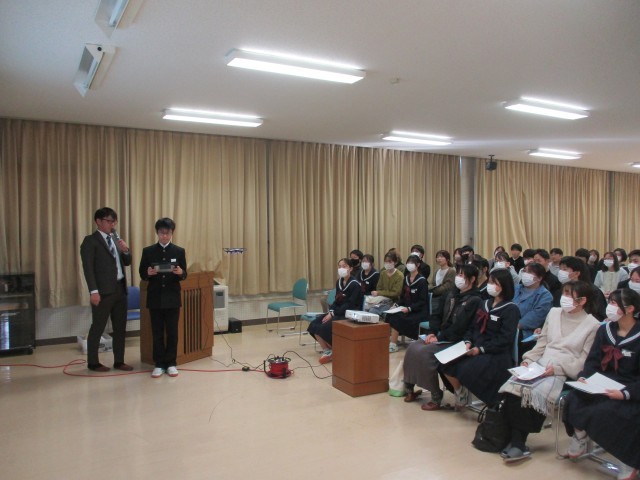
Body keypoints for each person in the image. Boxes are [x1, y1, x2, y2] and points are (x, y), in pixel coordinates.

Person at [498, 281, 600, 462]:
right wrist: (528, 360)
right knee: (514, 387)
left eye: (569, 294)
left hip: (564, 371)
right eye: (564, 293)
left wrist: (557, 369)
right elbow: (542, 342)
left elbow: (583, 361)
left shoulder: (593, 325)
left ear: (582, 300)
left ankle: (518, 443)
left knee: (532, 393)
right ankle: (513, 439)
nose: (564, 298)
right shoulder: (553, 313)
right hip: (541, 364)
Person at [562, 289, 640, 480]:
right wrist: (585, 377)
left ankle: (627, 460)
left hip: (630, 387)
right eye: (610, 302)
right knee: (574, 398)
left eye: (614, 304)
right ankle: (580, 436)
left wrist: (625, 393)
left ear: (630, 309)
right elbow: (593, 361)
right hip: (603, 381)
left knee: (611, 412)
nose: (609, 307)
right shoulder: (605, 330)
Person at [403, 264, 482, 410]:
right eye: (458, 274)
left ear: (472, 279)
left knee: (425, 353)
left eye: (462, 276)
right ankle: (409, 388)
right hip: (442, 336)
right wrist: (432, 332)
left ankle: (436, 395)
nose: (458, 278)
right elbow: (436, 315)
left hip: (458, 340)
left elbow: (461, 326)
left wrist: (439, 338)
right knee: (413, 347)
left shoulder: (475, 300)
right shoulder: (451, 294)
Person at [441, 269, 521, 408]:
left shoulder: (511, 309)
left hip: (495, 353)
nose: (490, 285)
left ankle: (490, 402)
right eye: (490, 282)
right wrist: (468, 342)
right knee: (444, 362)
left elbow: (505, 339)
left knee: (465, 369)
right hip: (475, 347)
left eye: (495, 283)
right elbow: (473, 327)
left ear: (504, 286)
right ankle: (460, 392)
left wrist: (481, 349)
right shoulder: (485, 304)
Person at [80, 207, 133, 372]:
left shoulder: (116, 239)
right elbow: (88, 269)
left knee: (120, 328)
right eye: (109, 221)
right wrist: (93, 291)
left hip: (120, 289)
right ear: (98, 221)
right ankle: (93, 362)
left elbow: (127, 262)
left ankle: (119, 361)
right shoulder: (90, 241)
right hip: (102, 292)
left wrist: (126, 250)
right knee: (98, 327)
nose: (112, 225)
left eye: (114, 221)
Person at [138, 218, 187, 378]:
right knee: (157, 332)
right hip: (155, 298)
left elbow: (184, 273)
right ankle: (159, 363)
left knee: (172, 332)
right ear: (157, 233)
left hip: (172, 298)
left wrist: (181, 273)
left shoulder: (179, 251)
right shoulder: (148, 251)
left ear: (172, 233)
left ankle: (171, 363)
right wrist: (147, 273)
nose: (164, 236)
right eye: (161, 233)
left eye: (167, 233)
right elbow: (142, 273)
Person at [307, 258, 363, 364]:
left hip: (348, 314)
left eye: (344, 266)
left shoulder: (355, 284)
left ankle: (336, 349)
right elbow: (337, 300)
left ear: (350, 268)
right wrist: (331, 311)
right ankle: (327, 350)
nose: (341, 269)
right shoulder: (339, 282)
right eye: (339, 266)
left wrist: (333, 313)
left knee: (323, 327)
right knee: (314, 324)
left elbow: (350, 304)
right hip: (337, 311)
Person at [387, 255, 428, 353]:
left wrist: (409, 308)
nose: (410, 265)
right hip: (406, 308)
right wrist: (396, 305)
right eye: (408, 262)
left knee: (397, 317)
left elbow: (422, 301)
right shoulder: (406, 279)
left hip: (418, 311)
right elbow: (402, 297)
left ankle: (393, 344)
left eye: (412, 263)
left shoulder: (422, 281)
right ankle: (392, 340)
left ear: (418, 265)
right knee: (390, 314)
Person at [514, 262, 553, 358]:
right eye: (524, 271)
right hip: (507, 327)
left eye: (529, 272)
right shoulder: (516, 288)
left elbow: (535, 317)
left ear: (539, 278)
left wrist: (512, 325)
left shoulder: (545, 296)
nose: (525, 274)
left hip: (525, 334)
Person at [559, 256, 607, 321]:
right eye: (560, 269)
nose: (561, 272)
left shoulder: (593, 291)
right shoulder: (562, 289)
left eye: (564, 269)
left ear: (577, 273)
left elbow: (600, 315)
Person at [429, 250, 457, 320]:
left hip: (445, 298)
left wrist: (433, 290)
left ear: (447, 259)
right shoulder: (437, 271)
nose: (439, 258)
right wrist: (431, 288)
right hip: (435, 298)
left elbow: (447, 287)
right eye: (438, 257)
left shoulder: (451, 271)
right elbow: (431, 284)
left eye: (441, 257)